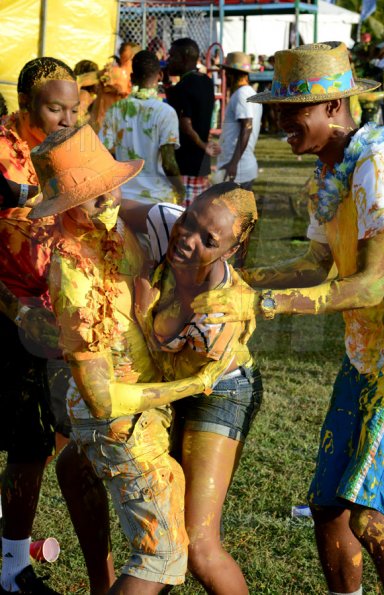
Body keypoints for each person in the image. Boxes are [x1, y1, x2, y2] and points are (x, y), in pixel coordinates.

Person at [193, 41, 384, 595]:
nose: (279, 121)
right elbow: (315, 264)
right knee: (328, 506)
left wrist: (261, 304)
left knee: (374, 520)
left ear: (333, 107)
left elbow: (374, 284)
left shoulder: (378, 162)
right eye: (275, 110)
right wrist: (238, 281)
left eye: (291, 110)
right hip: (364, 359)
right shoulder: (328, 174)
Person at [29, 124, 192, 595]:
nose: (108, 199)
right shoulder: (72, 271)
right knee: (160, 556)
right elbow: (102, 400)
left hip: (126, 411)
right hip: (119, 420)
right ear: (65, 208)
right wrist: (192, 382)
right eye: (92, 195)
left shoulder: (114, 231)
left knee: (75, 470)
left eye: (109, 186)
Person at [120, 183, 263, 595]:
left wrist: (142, 308)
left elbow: (175, 367)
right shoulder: (167, 222)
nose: (187, 238)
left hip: (219, 392)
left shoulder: (220, 311)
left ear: (229, 251)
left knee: (198, 545)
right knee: (161, 533)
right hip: (167, 382)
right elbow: (108, 210)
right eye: (189, 219)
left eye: (208, 239)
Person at [0, 57, 79, 594]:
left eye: (75, 108)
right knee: (25, 440)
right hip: (8, 311)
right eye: (55, 108)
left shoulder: (68, 147)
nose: (67, 118)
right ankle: (12, 568)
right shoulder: (3, 152)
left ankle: (10, 563)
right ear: (27, 106)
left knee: (37, 440)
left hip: (47, 312)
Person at [100, 50, 184, 205]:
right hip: (157, 199)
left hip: (123, 198)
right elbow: (169, 163)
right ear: (159, 75)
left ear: (132, 78)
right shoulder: (166, 112)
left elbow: (104, 155)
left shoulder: (115, 110)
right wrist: (181, 189)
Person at [166, 38, 217, 206]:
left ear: (184, 58)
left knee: (181, 217)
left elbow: (185, 124)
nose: (168, 60)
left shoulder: (184, 86)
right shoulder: (206, 81)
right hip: (201, 164)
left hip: (184, 164)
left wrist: (203, 145)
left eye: (172, 56)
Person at [215, 51, 262, 191]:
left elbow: (247, 127)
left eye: (226, 73)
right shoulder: (249, 93)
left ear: (231, 74)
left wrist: (234, 163)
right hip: (238, 167)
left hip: (238, 169)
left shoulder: (242, 94)